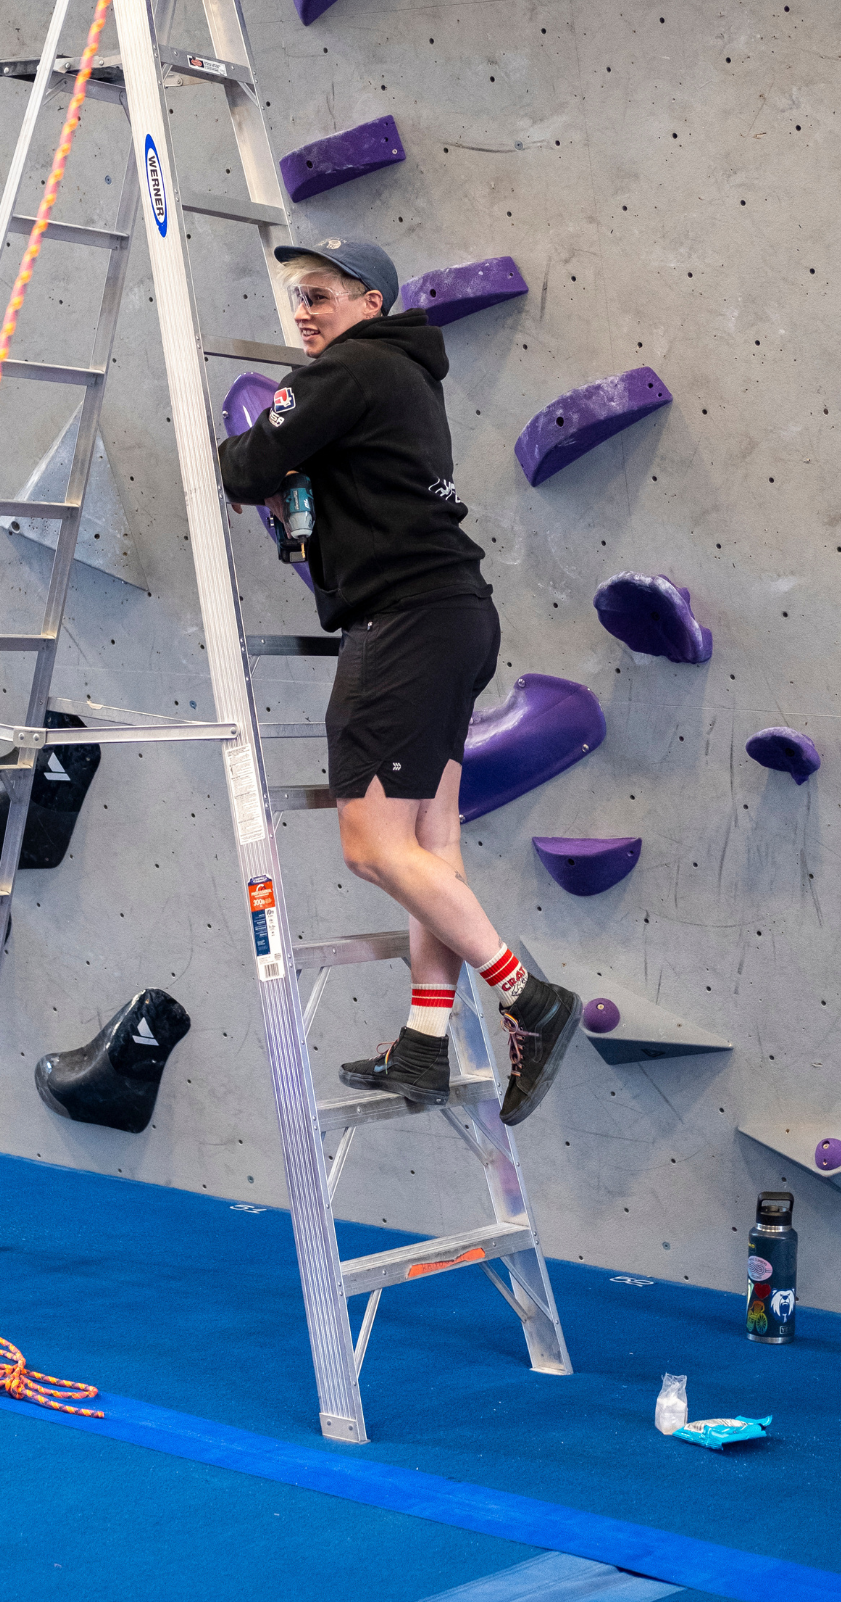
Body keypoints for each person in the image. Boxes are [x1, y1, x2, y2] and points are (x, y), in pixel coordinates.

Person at [217, 238, 579, 1122]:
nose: (305, 313)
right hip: (452, 616)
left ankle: (529, 998)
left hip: (406, 623)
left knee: (373, 847)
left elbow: (241, 469)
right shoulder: (405, 374)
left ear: (370, 303)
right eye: (298, 298)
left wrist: (261, 456)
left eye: (324, 296)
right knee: (429, 849)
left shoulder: (348, 370)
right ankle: (423, 1047)